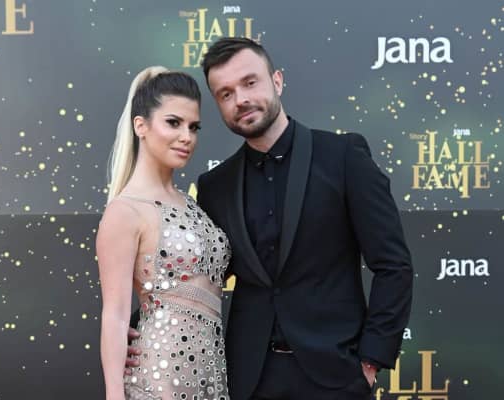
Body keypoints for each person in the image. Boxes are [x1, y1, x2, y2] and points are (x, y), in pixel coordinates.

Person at [129, 37, 414, 400]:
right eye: (226, 94)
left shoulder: (343, 157)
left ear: (277, 81)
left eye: (250, 83)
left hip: (336, 375)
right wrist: (139, 329)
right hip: (249, 379)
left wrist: (371, 359)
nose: (241, 99)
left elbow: (393, 265)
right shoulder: (215, 186)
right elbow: (200, 275)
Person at [97, 66, 231, 400]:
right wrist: (114, 394)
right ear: (140, 126)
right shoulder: (124, 211)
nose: (187, 136)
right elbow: (115, 315)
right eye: (173, 122)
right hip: (157, 381)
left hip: (211, 378)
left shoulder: (192, 205)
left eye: (193, 127)